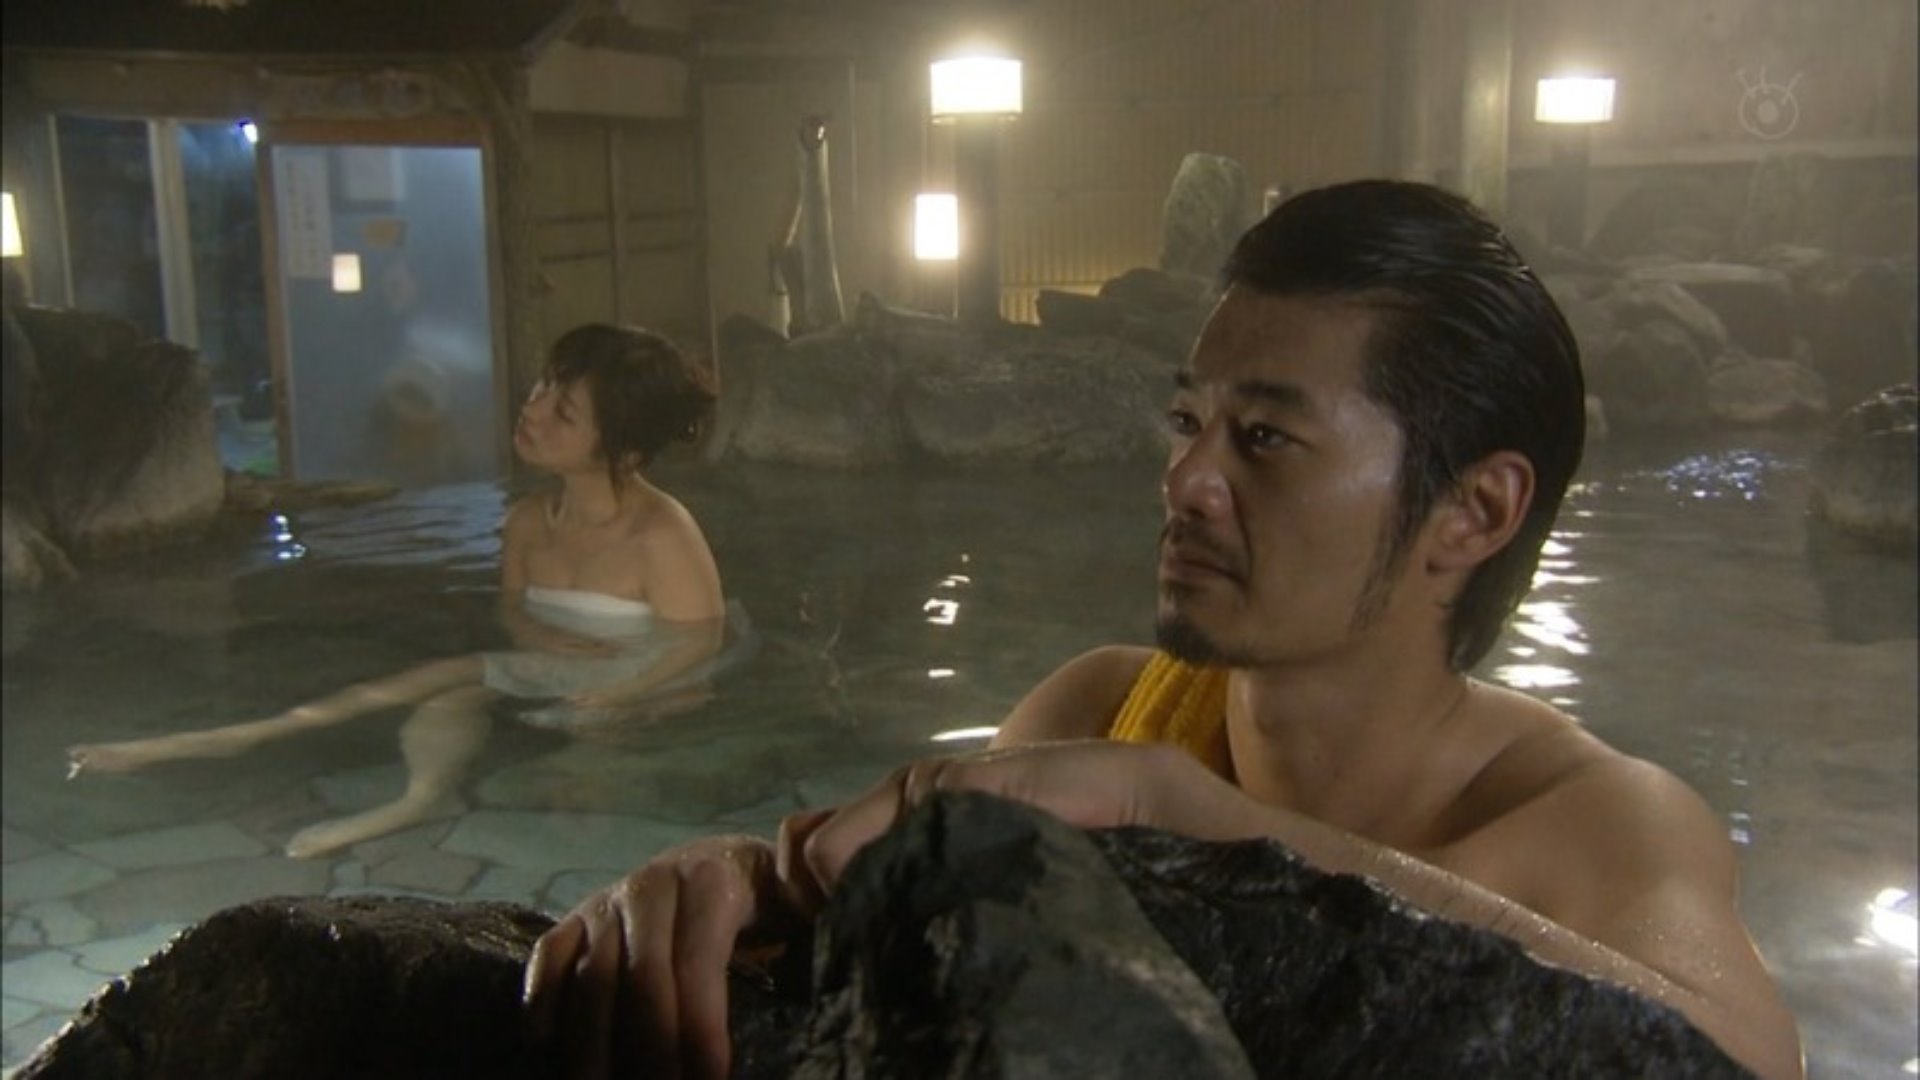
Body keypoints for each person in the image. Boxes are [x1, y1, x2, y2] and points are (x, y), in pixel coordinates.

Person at [519, 181, 1804, 1080]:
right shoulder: (1101, 709)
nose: (1186, 480)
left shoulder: (1596, 821)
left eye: (1266, 437)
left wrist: (1192, 819)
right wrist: (737, 883)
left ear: (1473, 512)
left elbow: (1737, 1059)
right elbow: (888, 906)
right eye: (1189, 422)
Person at [67, 324, 739, 857]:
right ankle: (268, 743)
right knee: (436, 685)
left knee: (472, 700)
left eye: (562, 412)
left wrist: (620, 697)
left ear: (624, 450)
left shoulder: (662, 534)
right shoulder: (529, 520)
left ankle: (404, 796)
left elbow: (699, 645)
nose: (533, 410)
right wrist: (537, 635)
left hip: (637, 679)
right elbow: (512, 608)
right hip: (554, 665)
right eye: (541, 388)